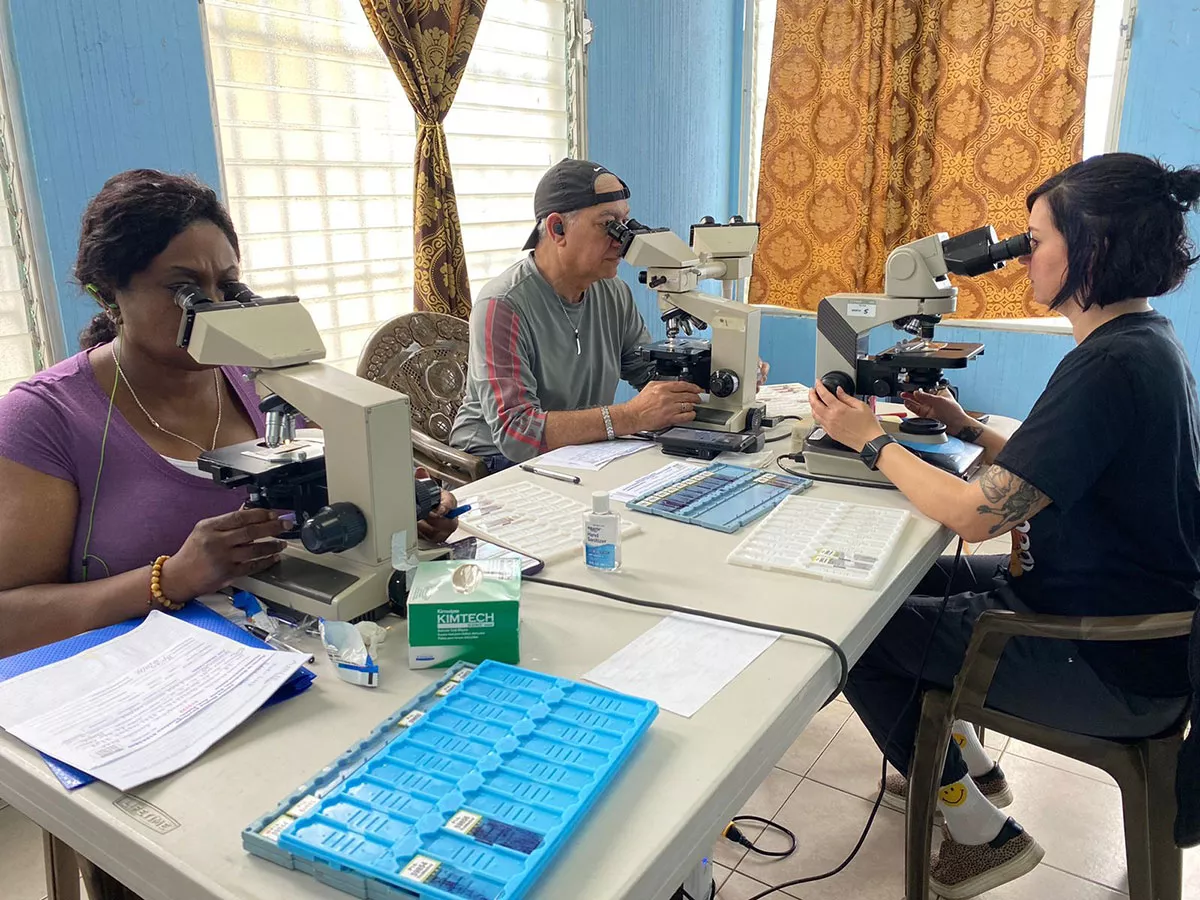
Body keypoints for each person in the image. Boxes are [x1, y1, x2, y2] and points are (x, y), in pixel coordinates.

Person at [810, 152, 1200, 899]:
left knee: (857, 633)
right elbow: (1060, 474)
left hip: (1106, 658)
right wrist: (963, 425)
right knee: (909, 577)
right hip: (1128, 612)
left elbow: (975, 515)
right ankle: (970, 761)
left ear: (1095, 248)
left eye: (1035, 240)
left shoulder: (1108, 366)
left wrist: (871, 438)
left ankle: (978, 832)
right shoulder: (1144, 342)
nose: (1022, 259)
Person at [0, 169, 457, 662]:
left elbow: (346, 481)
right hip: (134, 683)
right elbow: (9, 621)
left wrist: (406, 509)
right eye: (185, 290)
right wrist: (170, 578)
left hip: (291, 656)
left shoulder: (259, 373)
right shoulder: (42, 417)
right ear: (108, 292)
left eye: (228, 286)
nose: (214, 308)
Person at [449, 158, 767, 471]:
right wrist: (630, 417)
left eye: (626, 223)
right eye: (608, 225)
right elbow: (517, 433)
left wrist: (723, 373)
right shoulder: (502, 305)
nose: (622, 241)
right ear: (557, 228)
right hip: (495, 465)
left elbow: (650, 373)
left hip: (582, 454)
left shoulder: (612, 292)